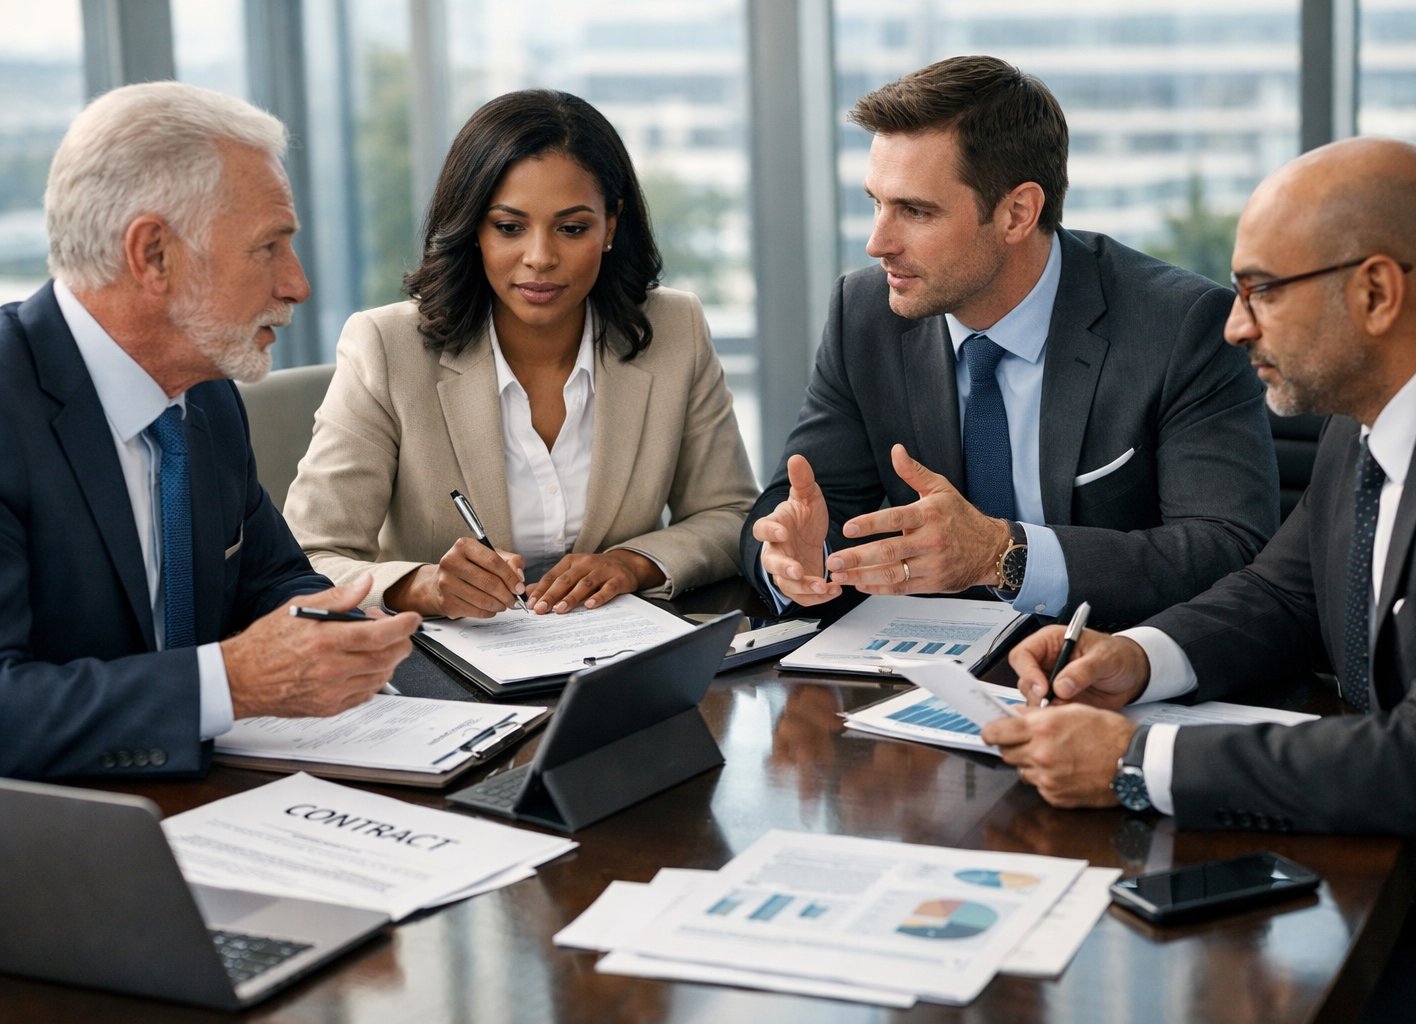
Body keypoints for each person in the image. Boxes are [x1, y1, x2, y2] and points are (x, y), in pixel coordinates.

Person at [984, 137, 1416, 1021]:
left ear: (1376, 292)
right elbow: (1285, 592)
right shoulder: (1372, 406)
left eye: (1262, 290)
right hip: (1379, 863)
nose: (1237, 325)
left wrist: (1135, 760)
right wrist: (1135, 656)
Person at [742, 55, 1278, 628]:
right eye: (876, 202)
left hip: (1107, 665)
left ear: (1018, 212)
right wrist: (796, 562)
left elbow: (1229, 551)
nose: (878, 242)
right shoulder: (865, 314)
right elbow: (796, 509)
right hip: (921, 670)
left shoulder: (1178, 326)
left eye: (915, 211)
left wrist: (1003, 555)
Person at [0, 82, 422, 780]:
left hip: (220, 802)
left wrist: (333, 633)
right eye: (269, 247)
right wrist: (234, 682)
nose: (297, 284)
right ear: (154, 255)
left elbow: (273, 575)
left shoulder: (208, 393)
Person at [284, 89, 757, 618]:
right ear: (473, 229)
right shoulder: (385, 347)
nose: (540, 258)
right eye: (509, 227)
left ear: (611, 227)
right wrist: (422, 585)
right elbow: (307, 557)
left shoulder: (675, 328)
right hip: (450, 676)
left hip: (617, 662)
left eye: (572, 228)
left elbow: (731, 512)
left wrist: (632, 563)